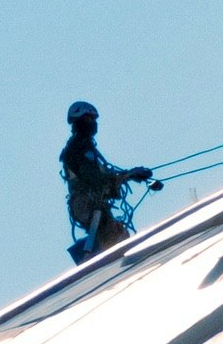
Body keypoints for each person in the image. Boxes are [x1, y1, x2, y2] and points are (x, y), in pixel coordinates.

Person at [59, 101, 153, 262]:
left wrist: (131, 174)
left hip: (92, 203)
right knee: (111, 236)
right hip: (87, 203)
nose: (92, 124)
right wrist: (128, 175)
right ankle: (109, 266)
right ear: (78, 122)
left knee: (117, 233)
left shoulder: (84, 147)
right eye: (88, 119)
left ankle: (109, 261)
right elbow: (95, 178)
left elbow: (103, 175)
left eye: (93, 120)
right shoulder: (79, 147)